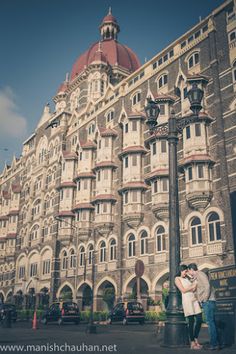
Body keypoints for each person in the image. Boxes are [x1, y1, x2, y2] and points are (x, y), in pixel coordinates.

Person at [188, 263, 219, 350]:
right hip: (207, 301)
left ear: (191, 269)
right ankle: (215, 343)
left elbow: (207, 286)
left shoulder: (200, 274)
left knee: (210, 322)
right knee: (211, 322)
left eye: (189, 270)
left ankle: (214, 344)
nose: (189, 272)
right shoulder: (197, 276)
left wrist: (204, 299)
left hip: (208, 301)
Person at [175, 264, 203, 350]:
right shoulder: (177, 279)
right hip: (187, 300)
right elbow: (183, 290)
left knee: (199, 319)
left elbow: (194, 289)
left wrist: (193, 286)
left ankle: (195, 338)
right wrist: (193, 286)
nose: (186, 273)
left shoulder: (187, 278)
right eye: (185, 271)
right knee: (191, 321)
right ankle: (192, 343)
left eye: (187, 271)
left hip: (194, 299)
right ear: (181, 270)